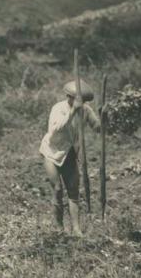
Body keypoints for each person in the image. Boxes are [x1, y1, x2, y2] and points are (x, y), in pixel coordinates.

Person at [39, 79, 102, 237]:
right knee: (58, 190)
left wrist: (105, 117)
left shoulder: (86, 111)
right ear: (69, 97)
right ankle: (59, 228)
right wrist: (73, 111)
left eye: (83, 101)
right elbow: (56, 128)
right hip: (51, 152)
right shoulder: (58, 108)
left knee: (73, 193)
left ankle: (76, 229)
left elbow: (97, 128)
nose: (81, 103)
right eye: (77, 99)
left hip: (70, 153)